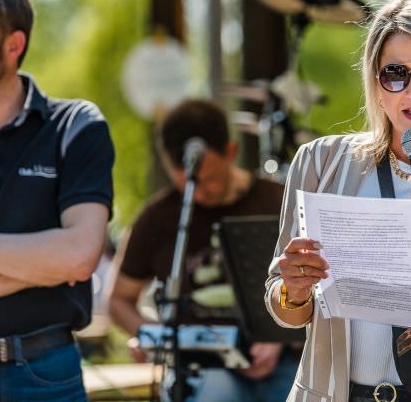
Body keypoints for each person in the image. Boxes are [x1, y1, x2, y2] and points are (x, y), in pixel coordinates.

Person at [264, 0, 411, 402]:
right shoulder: (320, 163)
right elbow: (284, 309)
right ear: (375, 85)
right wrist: (293, 288)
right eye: (395, 74)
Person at [0, 0, 114, 401]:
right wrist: (47, 269)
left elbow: (82, 256)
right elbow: (71, 259)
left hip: (46, 375)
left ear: (14, 45)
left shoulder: (75, 125)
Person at [109, 98, 299, 402]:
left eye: (208, 180)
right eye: (186, 185)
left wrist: (281, 339)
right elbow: (119, 300)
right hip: (202, 369)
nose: (198, 193)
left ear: (231, 152)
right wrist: (156, 336)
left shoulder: (278, 201)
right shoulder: (157, 218)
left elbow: (320, 287)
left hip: (282, 363)